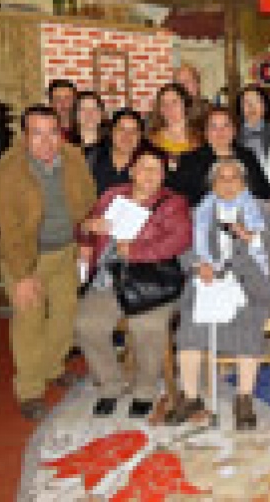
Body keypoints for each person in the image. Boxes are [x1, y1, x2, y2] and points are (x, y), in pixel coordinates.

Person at [0, 106, 96, 420]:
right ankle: (29, 389)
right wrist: (22, 275)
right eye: (37, 133)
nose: (47, 141)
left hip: (66, 252)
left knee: (66, 315)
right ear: (25, 136)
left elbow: (87, 200)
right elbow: (9, 230)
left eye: (53, 132)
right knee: (29, 321)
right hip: (27, 256)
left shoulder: (73, 158)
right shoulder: (6, 172)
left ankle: (53, 367)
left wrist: (85, 239)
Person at [169, 158, 270, 430]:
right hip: (209, 284)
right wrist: (199, 265)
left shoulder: (262, 210)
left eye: (233, 178)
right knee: (190, 325)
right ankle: (191, 397)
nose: (227, 184)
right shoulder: (197, 213)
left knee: (249, 320)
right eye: (221, 178)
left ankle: (244, 398)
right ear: (212, 184)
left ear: (243, 183)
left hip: (250, 284)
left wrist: (253, 238)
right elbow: (182, 250)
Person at [76, 147, 191, 419]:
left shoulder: (173, 202)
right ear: (131, 171)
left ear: (164, 175)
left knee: (147, 326)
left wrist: (137, 250)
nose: (149, 174)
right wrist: (88, 227)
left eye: (156, 169)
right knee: (86, 324)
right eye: (143, 167)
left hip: (151, 282)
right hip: (109, 278)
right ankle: (110, 384)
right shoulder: (112, 196)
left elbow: (180, 239)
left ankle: (145, 390)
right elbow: (83, 228)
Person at [171, 108, 270, 207]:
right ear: (205, 132)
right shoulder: (190, 160)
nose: (220, 131)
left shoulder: (247, 156)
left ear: (234, 130)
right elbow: (177, 196)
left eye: (226, 126)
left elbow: (264, 191)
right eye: (214, 127)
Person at [85, 109, 145, 194]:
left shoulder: (146, 166)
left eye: (133, 131)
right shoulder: (92, 158)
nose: (127, 135)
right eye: (122, 129)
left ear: (140, 136)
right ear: (112, 132)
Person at [148, 82, 201, 169]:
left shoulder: (200, 138)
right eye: (164, 104)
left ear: (185, 104)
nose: (169, 108)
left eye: (174, 102)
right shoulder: (152, 141)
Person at [235, 85, 270, 182]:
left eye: (256, 101)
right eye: (246, 102)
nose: (251, 106)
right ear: (240, 108)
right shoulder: (233, 136)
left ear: (265, 106)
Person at [67, 91, 107, 157]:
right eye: (84, 109)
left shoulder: (111, 146)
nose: (89, 114)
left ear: (101, 114)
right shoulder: (67, 147)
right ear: (76, 115)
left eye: (94, 109)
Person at [174, 62, 210, 133]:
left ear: (197, 83)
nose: (183, 86)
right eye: (179, 83)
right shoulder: (169, 112)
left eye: (187, 81)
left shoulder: (209, 112)